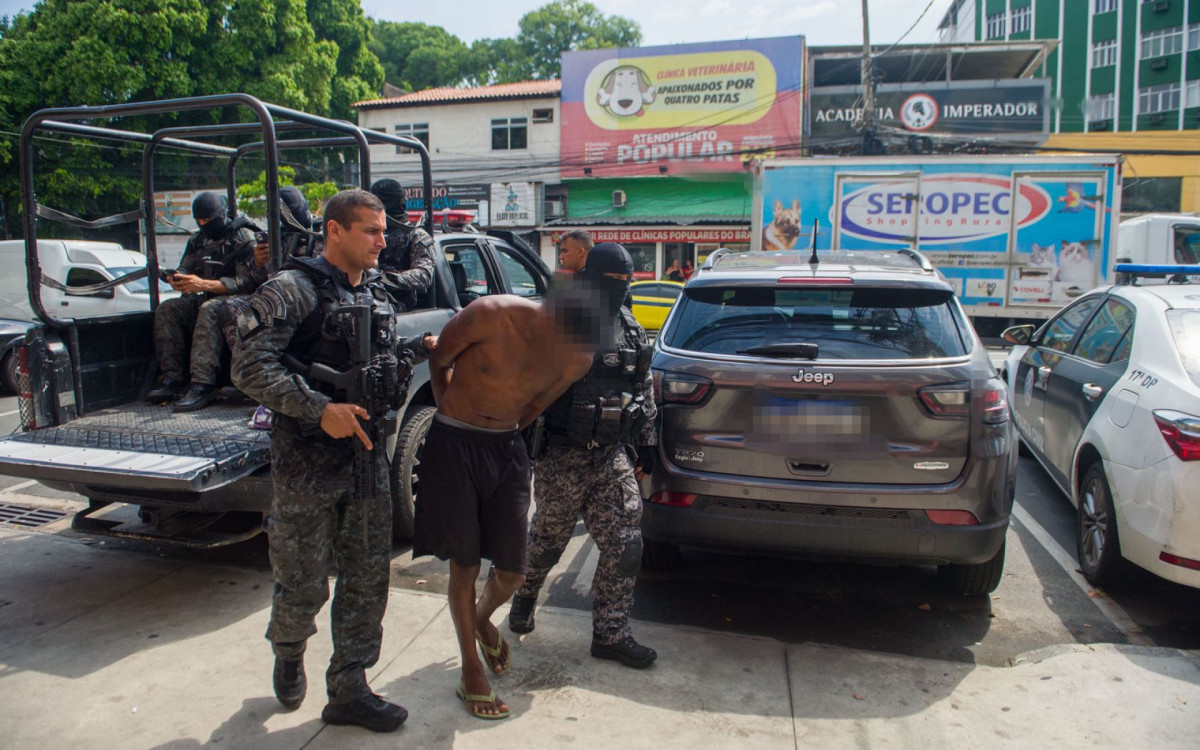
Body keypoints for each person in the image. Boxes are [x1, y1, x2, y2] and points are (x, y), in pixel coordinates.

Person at [230, 189, 434, 733]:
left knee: (368, 581)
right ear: (335, 232)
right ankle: (289, 649)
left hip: (368, 462)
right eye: (371, 231)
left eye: (384, 231)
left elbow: (379, 363)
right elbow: (248, 368)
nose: (383, 241)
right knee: (302, 585)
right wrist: (318, 409)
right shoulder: (291, 289)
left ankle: (349, 687)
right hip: (307, 468)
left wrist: (421, 350)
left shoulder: (377, 293)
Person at [411, 275, 611, 720]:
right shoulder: (489, 314)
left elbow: (536, 405)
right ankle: (470, 672)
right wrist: (450, 416)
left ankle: (482, 620)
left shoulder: (577, 357)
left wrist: (500, 436)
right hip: (453, 443)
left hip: (506, 448)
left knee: (513, 573)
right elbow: (439, 358)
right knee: (463, 564)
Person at [507, 243, 658, 669]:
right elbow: (524, 380)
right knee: (548, 543)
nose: (621, 289)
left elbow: (642, 384)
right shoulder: (559, 318)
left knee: (625, 543)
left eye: (627, 281)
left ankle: (610, 634)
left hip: (610, 454)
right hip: (561, 455)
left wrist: (646, 437)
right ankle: (524, 593)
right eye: (613, 282)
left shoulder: (629, 324)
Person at [173, 187, 315, 413]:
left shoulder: (316, 236)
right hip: (272, 300)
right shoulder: (275, 237)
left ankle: (261, 382)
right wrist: (259, 262)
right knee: (233, 311)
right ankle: (244, 378)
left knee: (251, 311)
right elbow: (256, 280)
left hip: (307, 303)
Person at [146, 191, 257, 402]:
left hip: (240, 305)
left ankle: (202, 383)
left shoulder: (241, 237)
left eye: (208, 220)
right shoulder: (198, 239)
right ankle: (173, 379)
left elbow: (247, 282)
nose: (204, 224)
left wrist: (205, 284)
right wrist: (178, 278)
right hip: (206, 296)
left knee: (210, 308)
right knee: (168, 309)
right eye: (199, 221)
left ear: (221, 216)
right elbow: (186, 267)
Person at [369, 178, 434, 310]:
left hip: (401, 309)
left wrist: (386, 279)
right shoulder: (365, 233)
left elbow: (424, 274)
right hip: (366, 302)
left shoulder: (416, 235)